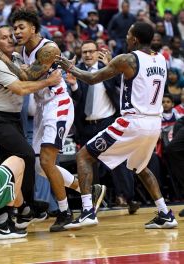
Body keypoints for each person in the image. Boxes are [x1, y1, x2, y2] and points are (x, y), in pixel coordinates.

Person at [56, 21, 178, 229]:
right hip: (153, 123)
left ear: (135, 39)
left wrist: (71, 68)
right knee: (140, 167)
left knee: (83, 156)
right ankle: (165, 213)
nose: (126, 38)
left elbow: (93, 78)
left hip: (133, 121)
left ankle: (87, 211)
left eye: (129, 34)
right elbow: (139, 80)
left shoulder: (127, 59)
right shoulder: (161, 59)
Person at [0, 9, 76, 233]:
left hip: (57, 104)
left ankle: (60, 210)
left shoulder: (46, 48)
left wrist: (69, 71)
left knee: (36, 161)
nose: (14, 34)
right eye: (10, 31)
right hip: (0, 117)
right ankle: (26, 207)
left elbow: (27, 76)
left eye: (19, 28)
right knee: (32, 162)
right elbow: (21, 83)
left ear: (33, 28)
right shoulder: (8, 58)